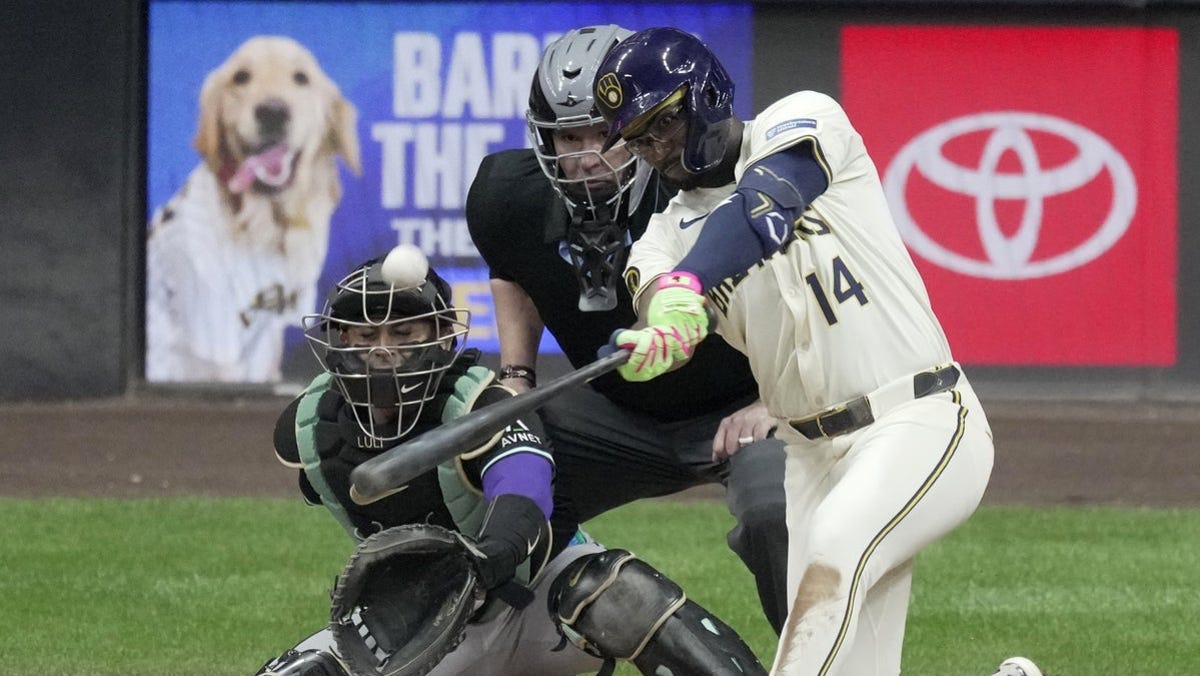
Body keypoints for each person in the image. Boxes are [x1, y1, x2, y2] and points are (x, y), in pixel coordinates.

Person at [592, 27, 1021, 676]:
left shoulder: (802, 118)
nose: (654, 149)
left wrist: (689, 285)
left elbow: (765, 203)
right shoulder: (661, 241)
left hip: (919, 418)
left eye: (662, 125)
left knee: (833, 553)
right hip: (808, 461)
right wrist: (660, 334)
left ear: (704, 94)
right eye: (639, 139)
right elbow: (658, 297)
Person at [254, 249, 768, 676]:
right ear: (339, 342)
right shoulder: (310, 428)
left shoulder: (480, 404)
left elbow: (525, 490)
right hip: (425, 619)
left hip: (537, 595)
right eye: (366, 337)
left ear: (438, 335)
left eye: (404, 335)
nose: (383, 352)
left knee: (618, 592)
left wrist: (490, 554)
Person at [466, 24, 790, 634]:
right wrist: (515, 376)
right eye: (569, 136)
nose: (588, 154)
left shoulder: (718, 187)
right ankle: (494, 645)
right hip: (620, 415)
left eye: (605, 134)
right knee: (489, 452)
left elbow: (808, 292)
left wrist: (776, 400)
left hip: (745, 409)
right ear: (543, 138)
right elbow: (512, 269)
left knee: (777, 514)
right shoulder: (504, 196)